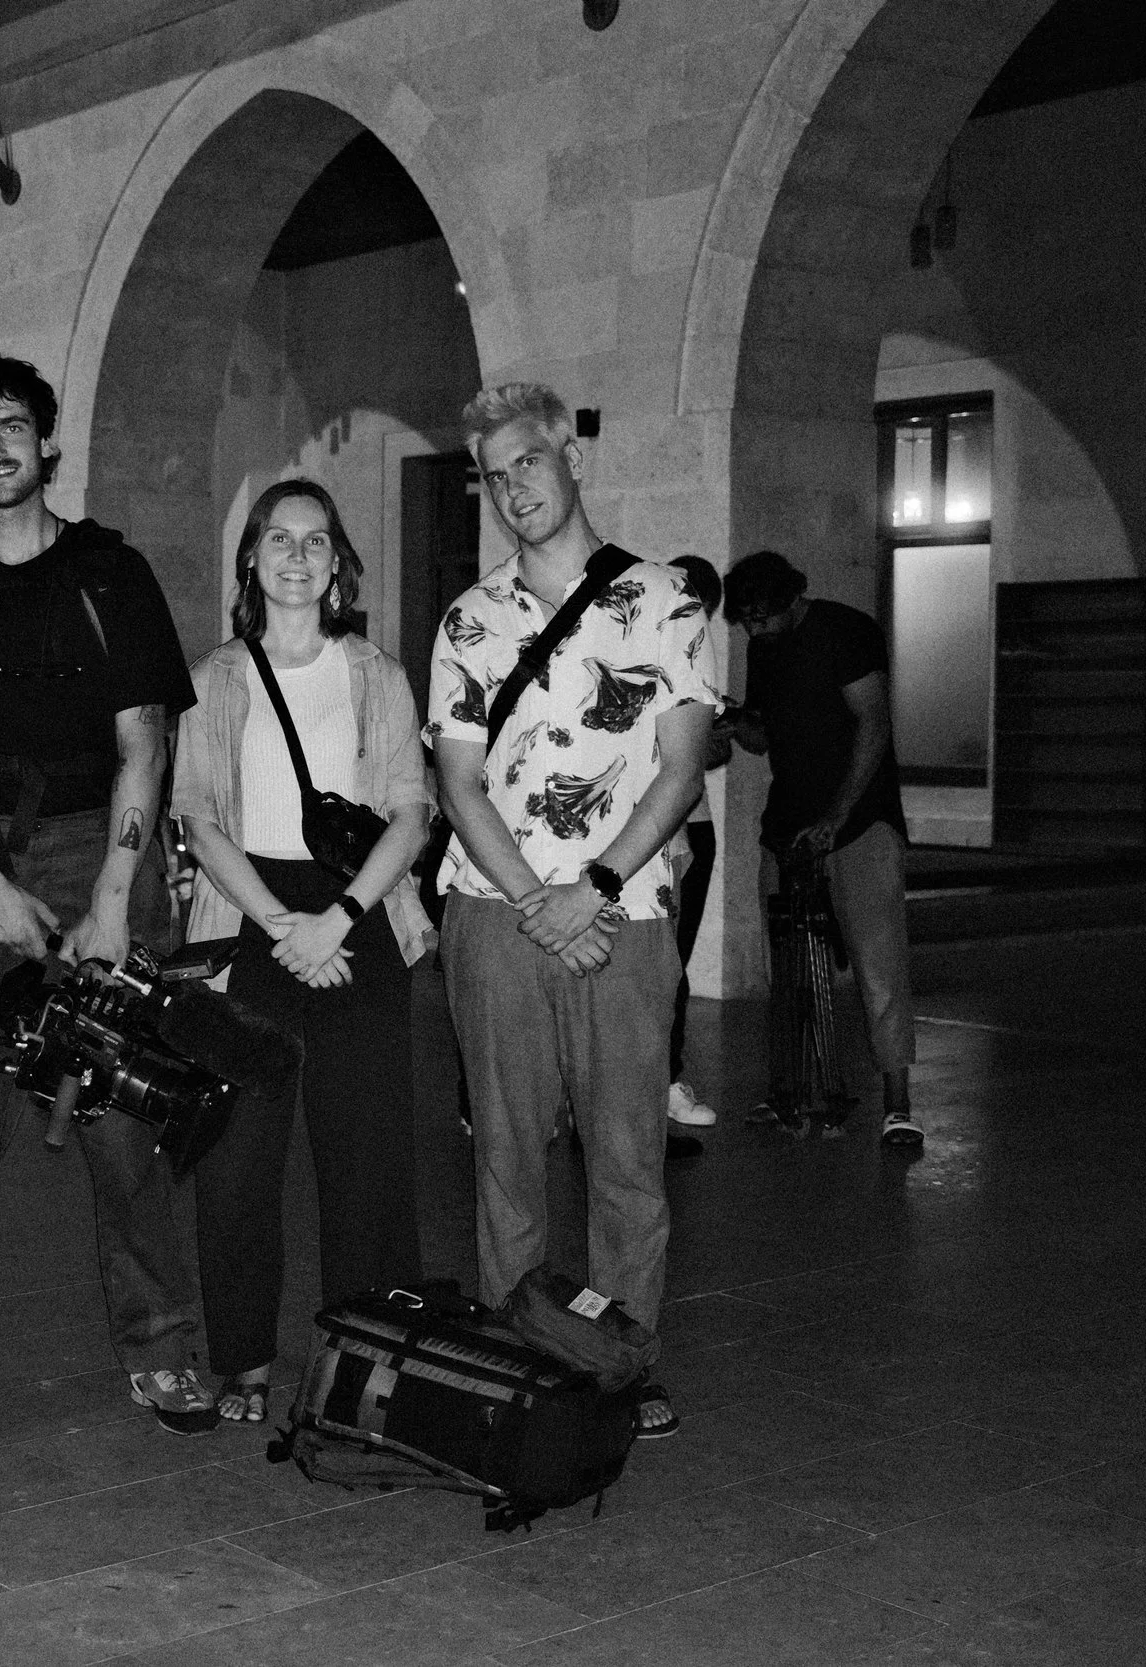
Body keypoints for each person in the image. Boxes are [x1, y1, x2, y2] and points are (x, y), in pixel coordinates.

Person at [0, 353, 218, 1440]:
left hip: (95, 849)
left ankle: (162, 1344)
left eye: (12, 425)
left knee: (123, 1124)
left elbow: (143, 743)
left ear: (47, 442)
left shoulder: (109, 573)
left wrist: (115, 896)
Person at [426, 383, 717, 1440]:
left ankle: (624, 1359)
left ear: (568, 458)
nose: (514, 489)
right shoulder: (469, 618)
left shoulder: (665, 600)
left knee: (627, 1159)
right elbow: (458, 783)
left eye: (528, 463)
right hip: (495, 916)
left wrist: (586, 888)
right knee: (504, 1154)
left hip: (621, 914)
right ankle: (524, 1354)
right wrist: (535, 899)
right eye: (495, 475)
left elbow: (680, 770)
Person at [171, 479, 434, 1424]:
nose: (295, 556)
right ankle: (244, 1358)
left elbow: (411, 810)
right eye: (277, 539)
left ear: (337, 563)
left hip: (356, 915)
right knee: (239, 1154)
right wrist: (283, 926)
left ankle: (372, 1361)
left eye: (315, 542)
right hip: (246, 915)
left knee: (367, 1157)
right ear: (251, 557)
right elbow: (198, 819)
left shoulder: (379, 675)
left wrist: (340, 917)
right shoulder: (211, 676)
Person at [722, 549, 921, 1147]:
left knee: (878, 965)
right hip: (787, 824)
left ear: (792, 601)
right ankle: (790, 1092)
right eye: (746, 620)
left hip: (860, 822)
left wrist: (837, 817)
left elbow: (873, 724)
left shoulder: (847, 630)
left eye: (762, 617)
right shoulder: (764, 646)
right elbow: (764, 735)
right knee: (786, 970)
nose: (753, 630)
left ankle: (898, 1103)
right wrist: (732, 721)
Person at [665, 556, 732, 1134]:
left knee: (673, 963)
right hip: (641, 824)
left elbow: (716, 750)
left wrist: (711, 738)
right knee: (637, 960)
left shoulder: (695, 650)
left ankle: (666, 1079)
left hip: (693, 824)